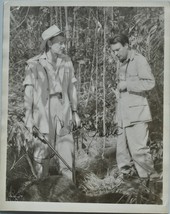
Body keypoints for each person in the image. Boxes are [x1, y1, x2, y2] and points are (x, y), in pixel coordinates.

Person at [23, 25, 81, 181]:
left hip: (64, 108)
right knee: (42, 151)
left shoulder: (67, 61)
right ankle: (42, 188)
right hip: (42, 111)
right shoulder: (33, 64)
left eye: (64, 42)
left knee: (67, 149)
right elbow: (28, 92)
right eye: (60, 42)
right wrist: (28, 118)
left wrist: (75, 112)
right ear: (49, 43)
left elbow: (71, 88)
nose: (63, 46)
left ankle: (69, 189)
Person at [108, 34, 157, 180]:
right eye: (113, 51)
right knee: (122, 152)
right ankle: (128, 181)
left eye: (118, 50)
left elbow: (150, 83)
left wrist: (127, 85)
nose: (115, 54)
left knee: (139, 152)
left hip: (137, 115)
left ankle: (150, 183)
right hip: (123, 115)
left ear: (127, 45)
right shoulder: (120, 62)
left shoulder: (139, 60)